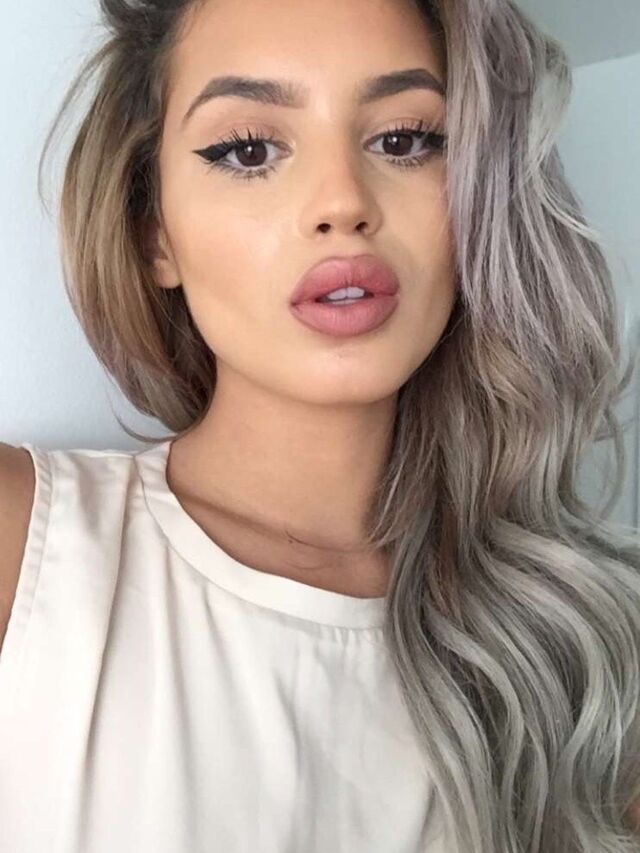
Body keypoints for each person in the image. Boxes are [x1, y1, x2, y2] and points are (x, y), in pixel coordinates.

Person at [1, 0, 639, 850]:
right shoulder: (25, 547)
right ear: (156, 236)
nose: (343, 202)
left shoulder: (593, 642)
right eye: (249, 150)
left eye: (405, 139)